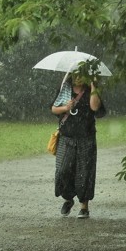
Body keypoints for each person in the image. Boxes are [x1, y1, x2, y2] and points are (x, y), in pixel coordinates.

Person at [51, 72, 106, 218]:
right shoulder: (65, 88)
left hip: (86, 137)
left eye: (82, 74)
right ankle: (68, 199)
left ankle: (84, 207)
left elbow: (95, 108)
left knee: (84, 172)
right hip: (66, 137)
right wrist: (65, 108)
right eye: (76, 74)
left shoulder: (91, 90)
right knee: (63, 170)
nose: (78, 77)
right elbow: (54, 108)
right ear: (71, 75)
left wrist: (93, 84)